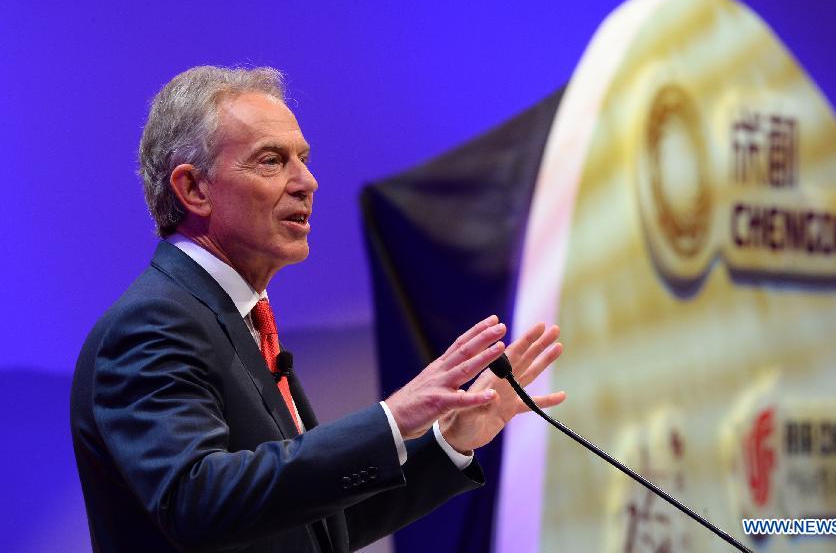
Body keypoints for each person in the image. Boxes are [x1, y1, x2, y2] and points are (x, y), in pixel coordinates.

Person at [70, 65, 566, 553]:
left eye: (302, 159)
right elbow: (197, 501)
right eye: (271, 161)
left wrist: (450, 443)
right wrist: (392, 417)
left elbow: (320, 522)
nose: (307, 181)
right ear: (194, 189)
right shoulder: (153, 324)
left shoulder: (237, 319)